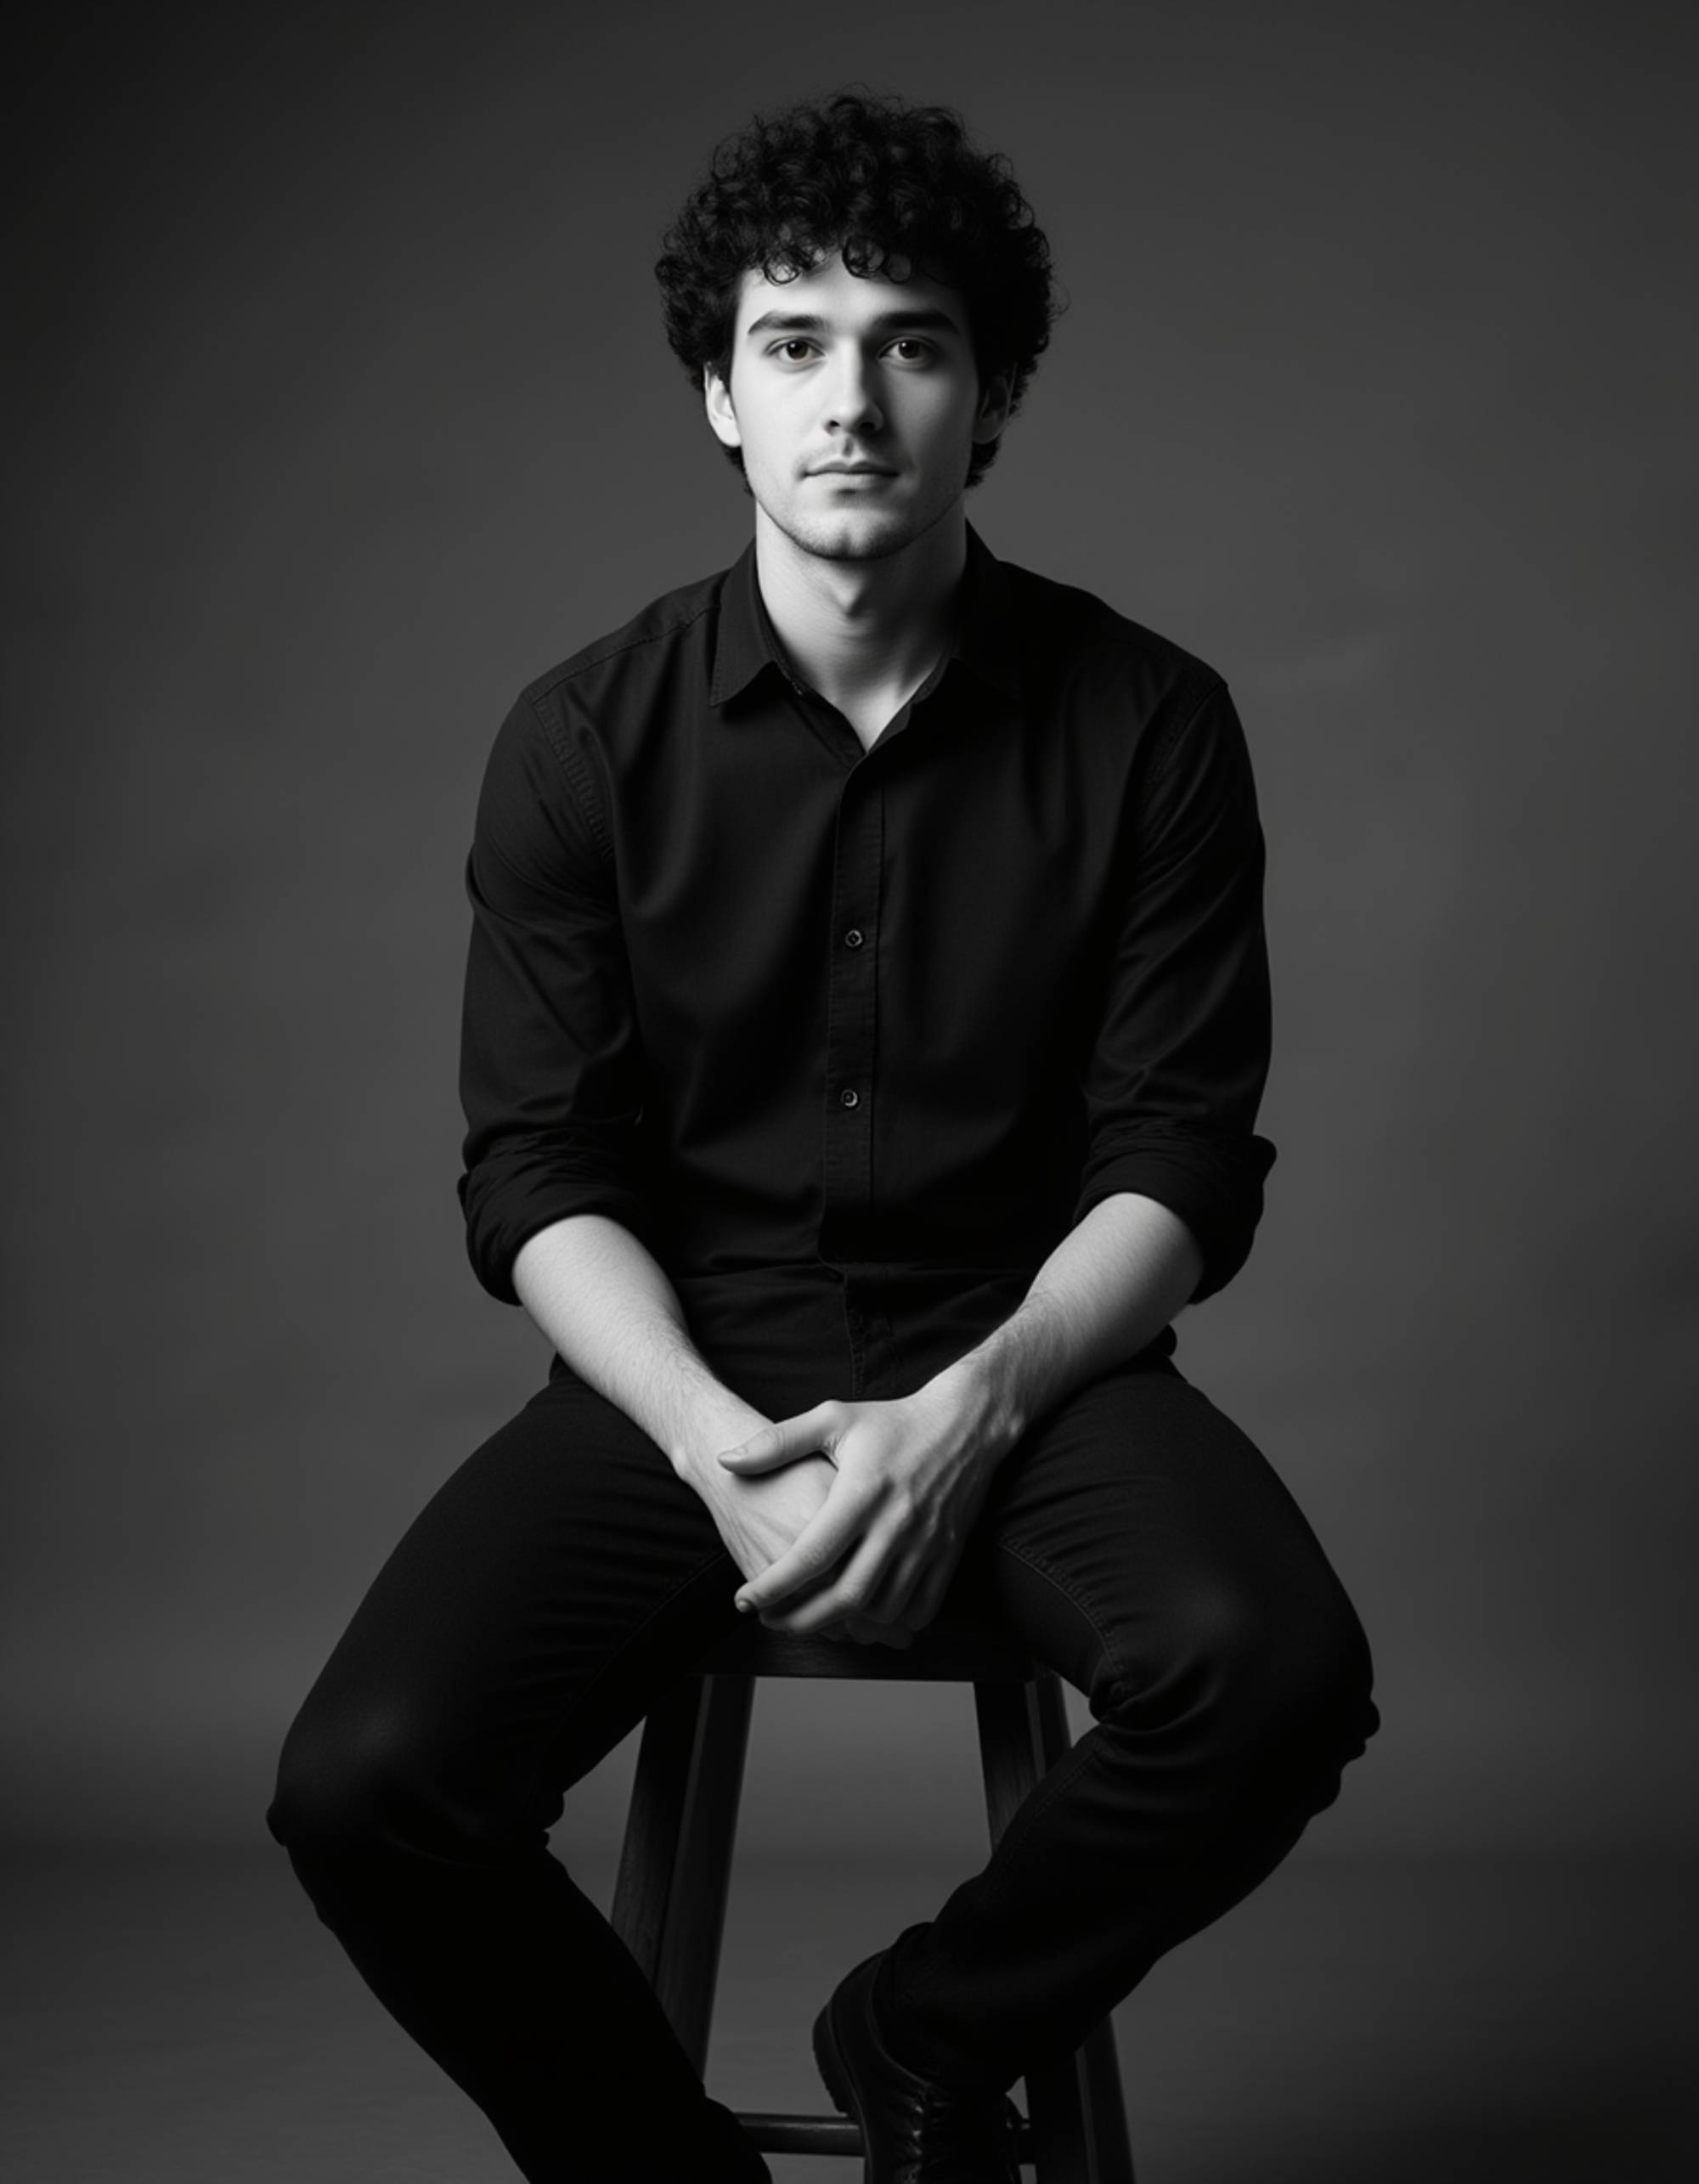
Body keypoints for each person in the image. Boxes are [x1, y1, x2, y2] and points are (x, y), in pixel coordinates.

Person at [268, 88, 1380, 2184]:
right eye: (792, 344)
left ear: (995, 393)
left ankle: (922, 2033)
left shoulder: (1151, 721)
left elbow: (1181, 1157)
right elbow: (538, 1172)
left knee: (1276, 1677)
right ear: (716, 391)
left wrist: (968, 1412)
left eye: (912, 341)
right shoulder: (582, 736)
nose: (850, 399)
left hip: (1027, 1350)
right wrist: (701, 1434)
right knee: (365, 1786)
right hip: (679, 1362)